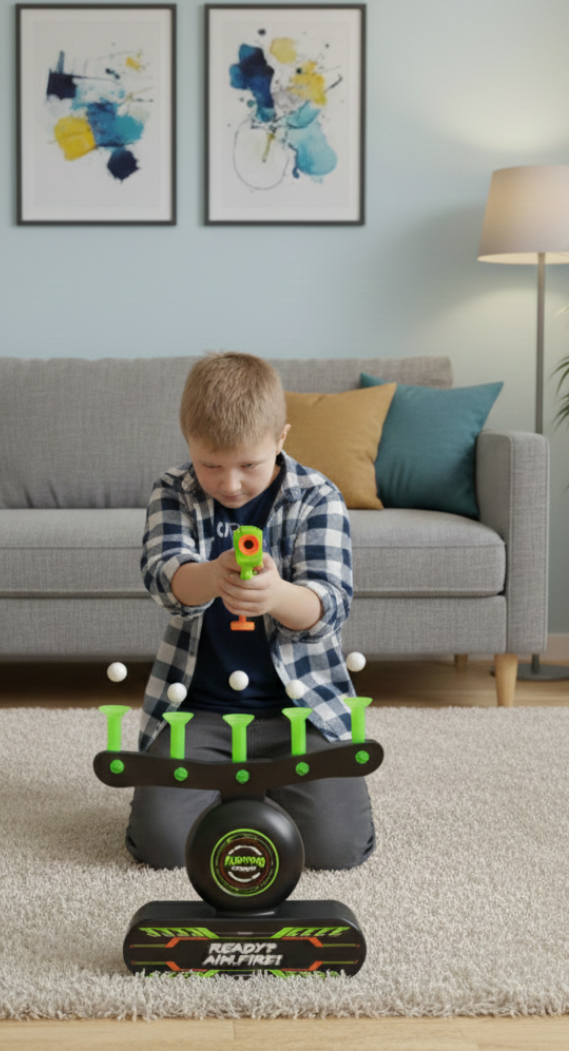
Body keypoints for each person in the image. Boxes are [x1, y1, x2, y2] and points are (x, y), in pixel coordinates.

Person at [126, 351, 376, 871]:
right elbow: (162, 577)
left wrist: (278, 596)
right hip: (198, 710)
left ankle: (251, 791)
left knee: (336, 850)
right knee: (162, 847)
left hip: (300, 711)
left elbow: (330, 606)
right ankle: (246, 791)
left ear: (280, 438)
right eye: (210, 465)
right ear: (188, 443)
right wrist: (210, 577)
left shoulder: (317, 497)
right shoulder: (174, 491)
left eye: (249, 465)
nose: (230, 484)